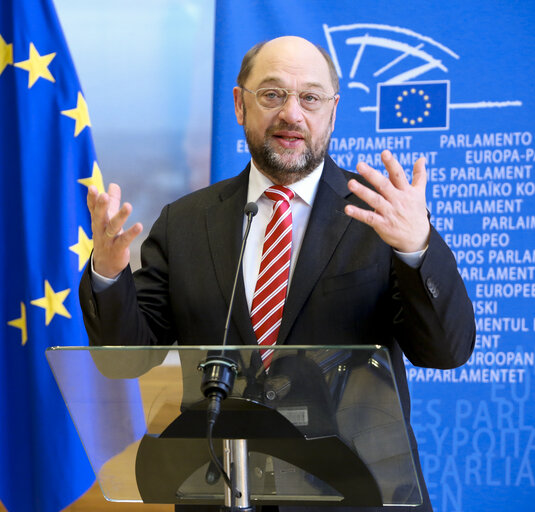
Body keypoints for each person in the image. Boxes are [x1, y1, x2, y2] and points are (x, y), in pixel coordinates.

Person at [79, 36, 475, 512]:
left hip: (358, 494)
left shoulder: (380, 219)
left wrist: (416, 248)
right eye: (272, 95)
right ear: (240, 105)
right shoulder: (185, 222)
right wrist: (107, 273)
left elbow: (447, 351)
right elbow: (126, 360)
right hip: (221, 490)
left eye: (310, 97)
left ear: (332, 111)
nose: (292, 113)